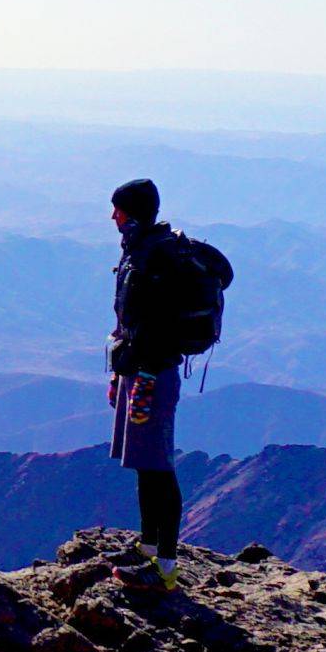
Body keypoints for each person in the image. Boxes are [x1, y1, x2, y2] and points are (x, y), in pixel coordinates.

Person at [107, 178, 199, 558]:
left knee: (158, 465)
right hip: (137, 371)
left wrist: (143, 376)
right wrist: (118, 374)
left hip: (152, 374)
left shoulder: (156, 258)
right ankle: (147, 547)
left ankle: (166, 562)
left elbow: (156, 327)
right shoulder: (139, 251)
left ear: (135, 213)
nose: (113, 216)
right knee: (145, 464)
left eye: (119, 209)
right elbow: (129, 321)